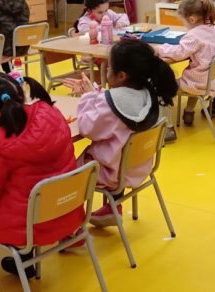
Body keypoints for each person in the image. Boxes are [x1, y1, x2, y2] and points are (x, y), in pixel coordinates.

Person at [0, 73, 82, 292]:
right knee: (22, 192)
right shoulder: (51, 113)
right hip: (67, 210)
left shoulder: (1, 141)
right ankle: (25, 264)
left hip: (32, 224)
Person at [68, 40, 178, 226]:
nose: (106, 69)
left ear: (121, 75)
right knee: (116, 147)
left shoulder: (112, 102)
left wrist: (88, 97)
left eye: (109, 66)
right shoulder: (148, 93)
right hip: (137, 167)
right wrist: (96, 93)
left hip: (110, 172)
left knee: (65, 171)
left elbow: (87, 128)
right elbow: (117, 104)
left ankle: (73, 224)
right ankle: (113, 207)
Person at [155, 0, 215, 142]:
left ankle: (168, 128)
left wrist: (159, 49)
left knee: (161, 88)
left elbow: (178, 53)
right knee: (193, 72)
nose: (184, 25)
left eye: (184, 21)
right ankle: (189, 112)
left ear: (192, 19)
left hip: (197, 83)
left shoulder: (194, 36)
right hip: (212, 80)